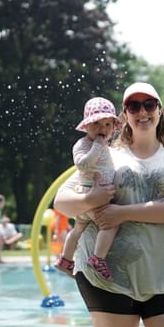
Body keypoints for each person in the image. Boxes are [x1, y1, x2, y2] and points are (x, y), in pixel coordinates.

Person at [53, 82, 164, 327]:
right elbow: (62, 201)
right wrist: (91, 199)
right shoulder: (107, 154)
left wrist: (122, 213)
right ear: (124, 115)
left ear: (160, 110)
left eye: (149, 105)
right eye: (134, 106)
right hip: (108, 274)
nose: (142, 112)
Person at [54, 97, 121, 279]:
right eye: (97, 124)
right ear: (86, 126)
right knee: (110, 225)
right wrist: (97, 148)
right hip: (89, 193)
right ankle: (98, 257)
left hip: (93, 195)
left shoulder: (106, 146)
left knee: (78, 229)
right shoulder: (83, 144)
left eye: (108, 124)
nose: (103, 129)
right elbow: (82, 165)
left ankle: (65, 260)